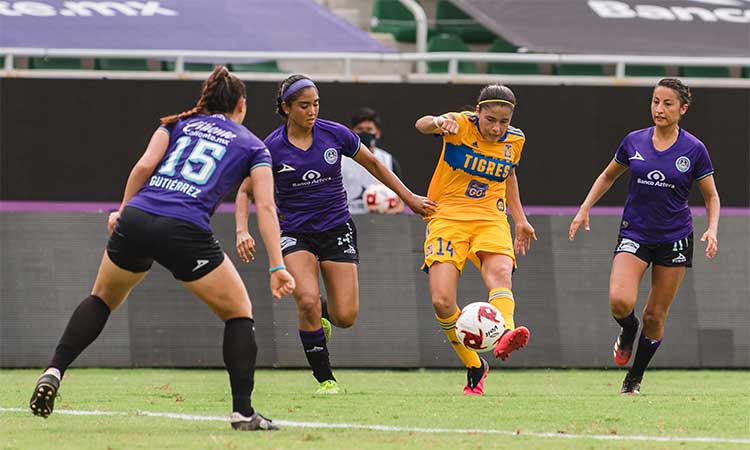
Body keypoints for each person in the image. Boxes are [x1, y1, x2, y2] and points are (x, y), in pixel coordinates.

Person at [29, 66, 295, 431]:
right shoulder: (253, 144)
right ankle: (243, 413)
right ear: (242, 105)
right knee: (239, 313)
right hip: (184, 227)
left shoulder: (176, 122)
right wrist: (277, 265)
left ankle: (53, 371)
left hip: (138, 216)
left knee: (102, 298)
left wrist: (121, 211)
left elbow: (144, 167)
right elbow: (265, 207)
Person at [235, 74, 435, 394]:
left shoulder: (335, 134)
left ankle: (324, 314)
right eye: (304, 106)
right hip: (295, 232)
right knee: (306, 299)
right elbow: (245, 191)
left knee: (345, 316)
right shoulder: (271, 147)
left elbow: (375, 165)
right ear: (286, 108)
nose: (312, 111)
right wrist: (242, 230)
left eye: (315, 104)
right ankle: (325, 378)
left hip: (337, 227)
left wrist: (409, 198)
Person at [569, 78, 720, 395]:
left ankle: (633, 380)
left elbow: (711, 197)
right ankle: (628, 328)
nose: (659, 109)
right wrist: (584, 208)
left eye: (667, 103)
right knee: (620, 301)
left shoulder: (694, 149)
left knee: (655, 316)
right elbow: (608, 175)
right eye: (655, 101)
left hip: (675, 238)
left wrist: (712, 228)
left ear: (683, 108)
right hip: (635, 233)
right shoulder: (634, 141)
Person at [414, 84, 537, 396]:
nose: (497, 128)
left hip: (490, 216)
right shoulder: (459, 124)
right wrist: (439, 123)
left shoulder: (516, 140)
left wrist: (520, 218)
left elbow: (509, 175)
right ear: (477, 112)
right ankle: (474, 364)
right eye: (490, 120)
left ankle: (507, 332)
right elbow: (422, 123)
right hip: (447, 216)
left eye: (504, 122)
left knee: (499, 275)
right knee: (442, 300)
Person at [342, 107, 404, 214]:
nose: (365, 133)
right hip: (348, 219)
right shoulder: (340, 161)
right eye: (360, 129)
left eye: (369, 129)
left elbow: (401, 201)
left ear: (377, 133)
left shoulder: (388, 160)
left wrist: (391, 210)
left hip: (379, 224)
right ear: (351, 133)